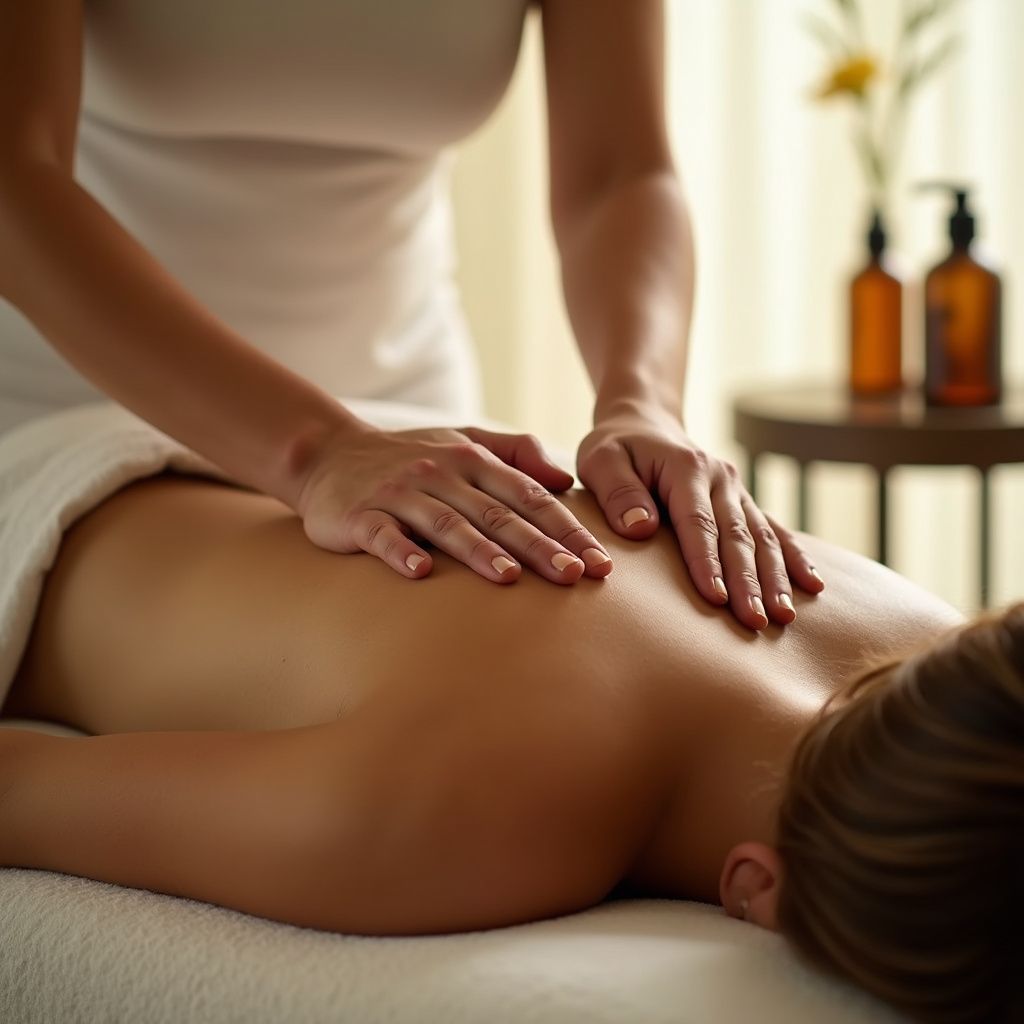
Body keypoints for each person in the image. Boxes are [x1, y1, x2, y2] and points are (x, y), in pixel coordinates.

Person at [0, 477, 1019, 1024]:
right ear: (763, 893)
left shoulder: (902, 611)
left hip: (281, 428)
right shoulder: (476, 818)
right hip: (34, 510)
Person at [0, 1, 823, 636]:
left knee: (578, 635)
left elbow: (621, 171)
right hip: (85, 412)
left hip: (413, 420)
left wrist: (641, 401)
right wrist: (316, 451)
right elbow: (14, 179)